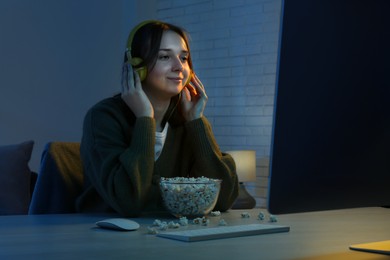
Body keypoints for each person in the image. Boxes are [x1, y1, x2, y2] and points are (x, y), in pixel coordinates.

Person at [76, 20, 239, 217]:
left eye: (184, 58)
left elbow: (223, 199)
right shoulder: (103, 118)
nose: (179, 67)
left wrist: (197, 122)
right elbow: (128, 201)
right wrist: (145, 119)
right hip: (103, 237)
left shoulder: (187, 119)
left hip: (168, 237)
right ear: (137, 66)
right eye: (164, 57)